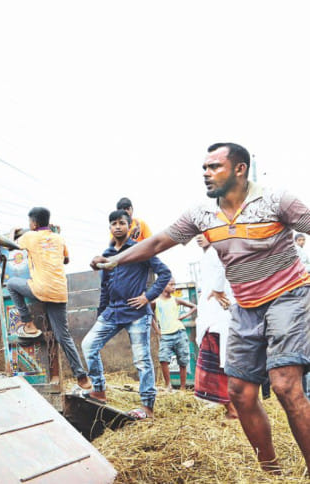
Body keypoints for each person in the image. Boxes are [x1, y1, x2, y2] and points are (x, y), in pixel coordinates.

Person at [91, 142, 310, 473]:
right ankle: (272, 473)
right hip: (245, 305)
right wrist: (114, 260)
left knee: (284, 385)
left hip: (288, 296)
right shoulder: (202, 213)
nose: (207, 173)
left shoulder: (276, 199)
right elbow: (158, 241)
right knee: (240, 392)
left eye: (215, 167)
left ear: (240, 169)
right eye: (204, 168)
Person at [80, 209, 171, 419]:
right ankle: (99, 390)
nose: (118, 226)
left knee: (141, 360)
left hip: (137, 313)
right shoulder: (107, 255)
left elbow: (165, 273)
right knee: (88, 345)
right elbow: (105, 287)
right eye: (114, 223)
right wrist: (101, 314)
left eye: (122, 223)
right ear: (110, 227)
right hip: (113, 311)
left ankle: (147, 406)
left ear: (129, 226)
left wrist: (148, 297)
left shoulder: (140, 250)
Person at [7, 207, 92, 390]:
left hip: (39, 289)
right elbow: (66, 260)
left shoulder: (30, 236)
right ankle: (81, 376)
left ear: (34, 224)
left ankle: (28, 323)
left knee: (11, 284)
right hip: (59, 291)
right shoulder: (58, 238)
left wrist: (13, 231)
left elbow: (9, 246)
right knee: (63, 336)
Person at [194, 234, 238, 419]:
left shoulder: (217, 251)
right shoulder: (208, 255)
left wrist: (218, 290)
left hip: (219, 320)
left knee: (223, 367)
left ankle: (233, 409)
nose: (198, 237)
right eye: (196, 234)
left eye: (204, 233)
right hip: (211, 319)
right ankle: (231, 408)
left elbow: (222, 270)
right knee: (220, 366)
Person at [151, 277, 196, 390]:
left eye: (174, 285)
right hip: (165, 335)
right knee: (163, 359)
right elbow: (150, 316)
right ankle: (168, 385)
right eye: (171, 285)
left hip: (179, 333)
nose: (174, 287)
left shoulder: (175, 300)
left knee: (183, 360)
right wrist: (157, 330)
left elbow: (194, 307)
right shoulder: (155, 302)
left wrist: (183, 316)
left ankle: (183, 387)